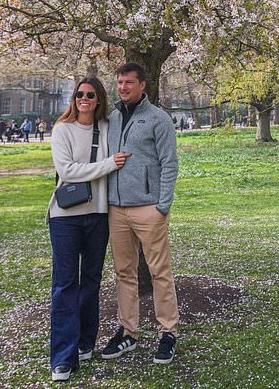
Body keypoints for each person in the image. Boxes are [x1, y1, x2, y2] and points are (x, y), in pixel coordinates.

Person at [100, 63, 180, 366]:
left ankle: (168, 332)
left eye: (129, 83)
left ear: (143, 85)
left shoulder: (158, 119)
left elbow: (169, 164)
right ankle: (128, 332)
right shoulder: (113, 118)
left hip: (149, 209)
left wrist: (162, 206)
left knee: (160, 271)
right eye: (119, 82)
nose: (123, 87)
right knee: (124, 272)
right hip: (117, 209)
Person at [47, 77, 125, 383]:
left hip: (98, 215)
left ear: (99, 99)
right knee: (66, 284)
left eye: (90, 95)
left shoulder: (107, 127)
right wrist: (107, 165)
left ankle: (84, 343)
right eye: (79, 94)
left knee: (91, 282)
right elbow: (66, 170)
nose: (84, 98)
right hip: (65, 217)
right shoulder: (62, 129)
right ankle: (62, 357)